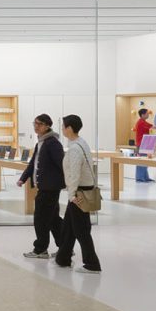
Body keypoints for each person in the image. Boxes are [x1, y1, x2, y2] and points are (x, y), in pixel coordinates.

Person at [54, 115, 102, 273]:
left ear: (69, 128)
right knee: (69, 227)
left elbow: (74, 174)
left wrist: (71, 195)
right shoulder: (81, 143)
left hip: (78, 193)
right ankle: (63, 258)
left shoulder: (75, 148)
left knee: (81, 230)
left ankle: (92, 264)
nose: (62, 129)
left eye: (63, 126)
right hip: (81, 190)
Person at [18, 114, 66, 259]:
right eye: (35, 123)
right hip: (45, 186)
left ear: (47, 126)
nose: (36, 126)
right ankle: (65, 247)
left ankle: (40, 249)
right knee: (53, 219)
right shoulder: (41, 142)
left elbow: (62, 164)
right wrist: (23, 178)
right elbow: (33, 163)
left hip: (50, 187)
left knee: (40, 219)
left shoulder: (53, 143)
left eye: (39, 124)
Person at [133, 108, 154, 183]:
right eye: (147, 113)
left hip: (145, 143)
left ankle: (145, 177)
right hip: (141, 144)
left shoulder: (143, 122)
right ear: (142, 115)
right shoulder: (141, 122)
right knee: (141, 161)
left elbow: (151, 126)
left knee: (145, 161)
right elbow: (153, 126)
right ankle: (140, 178)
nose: (148, 115)